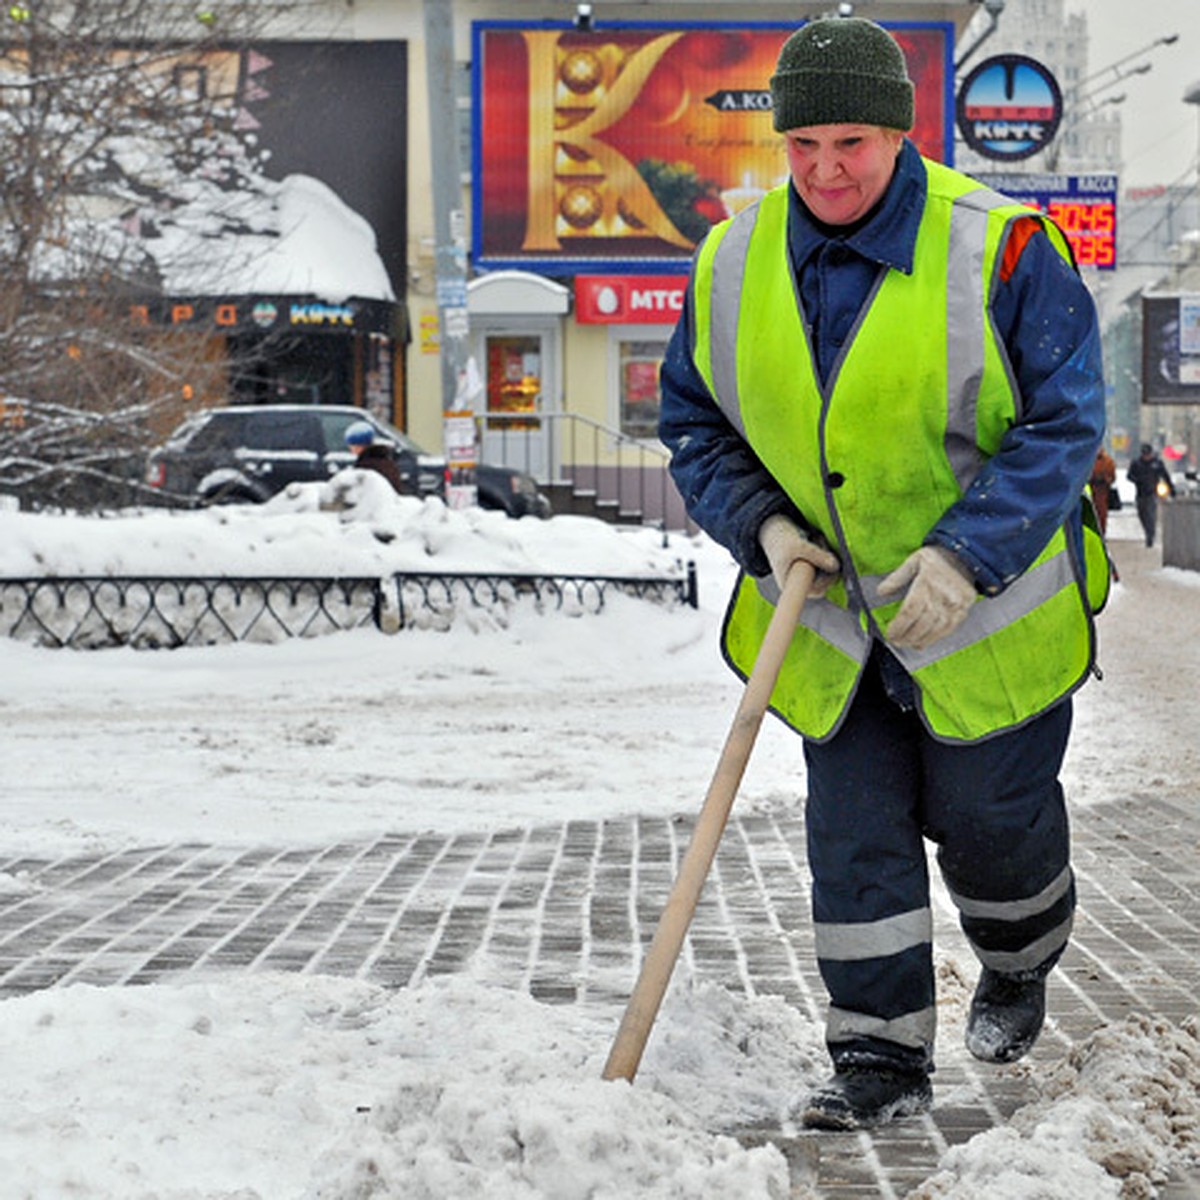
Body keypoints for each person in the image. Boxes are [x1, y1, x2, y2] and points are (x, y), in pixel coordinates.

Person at [658, 16, 1108, 1131]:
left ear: (901, 135)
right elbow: (694, 421)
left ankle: (1018, 957)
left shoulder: (1002, 249)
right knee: (854, 842)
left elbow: (1063, 421)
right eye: (801, 145)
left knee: (991, 826)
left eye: (849, 142)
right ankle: (879, 1056)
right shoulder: (729, 261)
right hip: (833, 630)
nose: (824, 170)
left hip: (982, 622)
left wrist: (970, 553)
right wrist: (758, 525)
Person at [1126, 443, 1175, 548]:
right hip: (1140, 493)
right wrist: (1137, 480)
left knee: (1151, 516)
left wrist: (1171, 489)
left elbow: (1165, 476)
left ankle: (1150, 536)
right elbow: (1129, 475)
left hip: (1152, 493)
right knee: (1142, 514)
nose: (1146, 457)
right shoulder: (1136, 463)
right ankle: (1148, 532)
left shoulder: (1157, 463)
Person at [344, 420, 404, 493]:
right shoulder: (386, 461)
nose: (350, 449)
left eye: (352, 445)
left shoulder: (366, 465)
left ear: (359, 445)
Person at [1089, 447, 1117, 535]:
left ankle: (1101, 533)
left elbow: (1112, 477)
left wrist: (1105, 479)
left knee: (1101, 515)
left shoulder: (1108, 461)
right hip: (1091, 491)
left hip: (1102, 492)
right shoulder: (1088, 460)